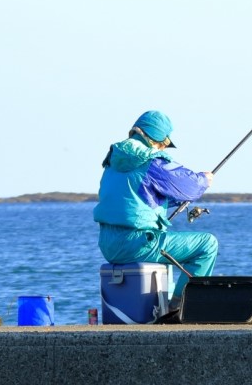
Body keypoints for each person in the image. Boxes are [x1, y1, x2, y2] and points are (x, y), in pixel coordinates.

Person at [93, 110, 217, 309]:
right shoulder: (152, 160)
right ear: (157, 139)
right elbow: (190, 187)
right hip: (138, 244)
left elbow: (136, 197)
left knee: (163, 246)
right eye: (164, 143)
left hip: (108, 245)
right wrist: (204, 179)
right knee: (207, 244)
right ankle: (182, 308)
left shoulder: (112, 162)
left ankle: (162, 307)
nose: (163, 148)